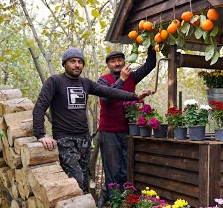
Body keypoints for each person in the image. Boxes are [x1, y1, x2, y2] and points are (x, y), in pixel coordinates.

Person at [33, 47, 153, 194]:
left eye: (80, 62)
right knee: (75, 179)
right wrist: (41, 134)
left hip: (84, 138)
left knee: (84, 179)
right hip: (64, 139)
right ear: (65, 64)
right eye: (72, 62)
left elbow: (110, 92)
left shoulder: (85, 83)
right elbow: (40, 106)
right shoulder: (55, 81)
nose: (77, 65)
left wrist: (135, 97)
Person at [96, 46, 156, 208]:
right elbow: (107, 97)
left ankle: (121, 200)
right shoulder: (103, 80)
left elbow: (150, 64)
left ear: (124, 62)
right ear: (108, 65)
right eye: (113, 61)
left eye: (119, 60)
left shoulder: (132, 77)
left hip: (128, 130)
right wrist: (121, 79)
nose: (117, 63)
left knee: (125, 167)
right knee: (111, 167)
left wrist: (150, 42)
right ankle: (109, 197)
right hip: (108, 130)